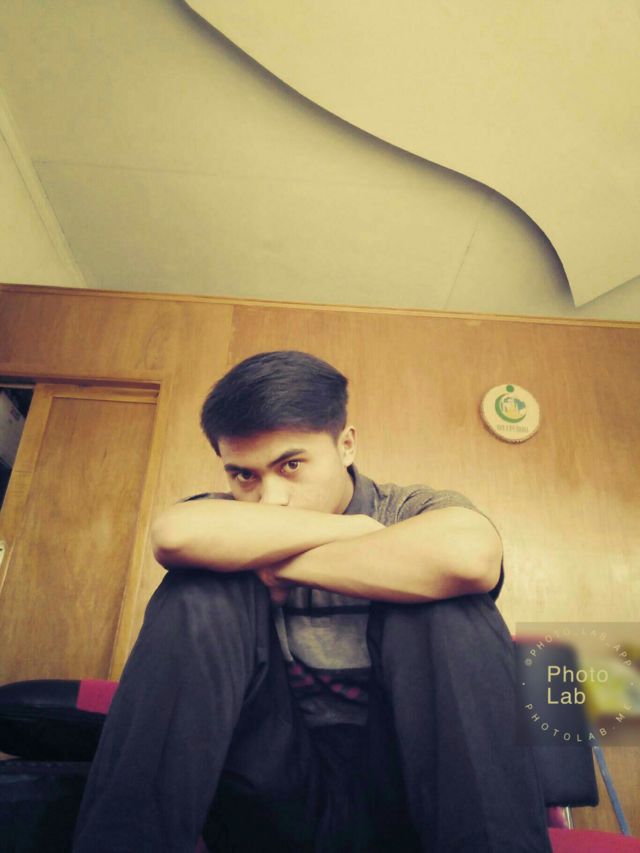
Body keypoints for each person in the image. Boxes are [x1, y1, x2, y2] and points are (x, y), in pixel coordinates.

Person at [72, 350, 552, 852]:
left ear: (346, 445)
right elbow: (173, 535)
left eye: (292, 465)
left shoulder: (408, 509)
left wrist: (273, 562)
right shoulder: (225, 515)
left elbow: (470, 557)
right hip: (274, 791)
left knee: (450, 604)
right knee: (201, 588)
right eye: (244, 476)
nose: (270, 500)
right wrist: (354, 532)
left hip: (408, 792)